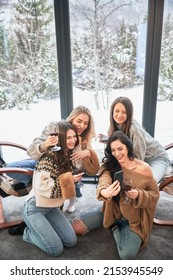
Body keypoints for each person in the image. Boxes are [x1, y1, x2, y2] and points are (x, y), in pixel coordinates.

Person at [72, 131, 160, 260]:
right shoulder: (110, 165)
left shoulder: (144, 168)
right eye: (113, 150)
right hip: (110, 212)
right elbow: (104, 180)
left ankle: (114, 228)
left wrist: (139, 195)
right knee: (75, 228)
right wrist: (104, 192)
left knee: (126, 255)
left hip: (131, 220)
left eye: (120, 149)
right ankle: (111, 223)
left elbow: (155, 194)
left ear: (128, 147)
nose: (117, 154)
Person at [0, 106, 99, 211]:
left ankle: (44, 184)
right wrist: (44, 144)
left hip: (63, 170)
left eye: (86, 123)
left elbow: (84, 169)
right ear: (71, 119)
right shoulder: (54, 128)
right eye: (79, 121)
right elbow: (31, 150)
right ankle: (39, 182)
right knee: (10, 168)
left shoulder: (84, 140)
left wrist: (88, 152)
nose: (82, 126)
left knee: (58, 181)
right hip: (44, 163)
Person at [9, 120, 83, 256]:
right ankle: (26, 232)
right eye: (68, 138)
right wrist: (68, 181)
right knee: (56, 249)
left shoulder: (68, 156)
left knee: (71, 241)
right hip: (34, 208)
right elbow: (42, 186)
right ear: (60, 138)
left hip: (51, 208)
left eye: (74, 137)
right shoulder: (50, 156)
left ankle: (41, 228)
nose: (72, 140)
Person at [98, 96, 170, 183]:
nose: (119, 115)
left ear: (129, 114)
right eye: (117, 111)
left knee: (148, 184)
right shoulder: (114, 127)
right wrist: (109, 140)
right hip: (141, 158)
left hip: (156, 159)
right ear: (112, 112)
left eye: (124, 112)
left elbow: (139, 157)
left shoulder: (134, 129)